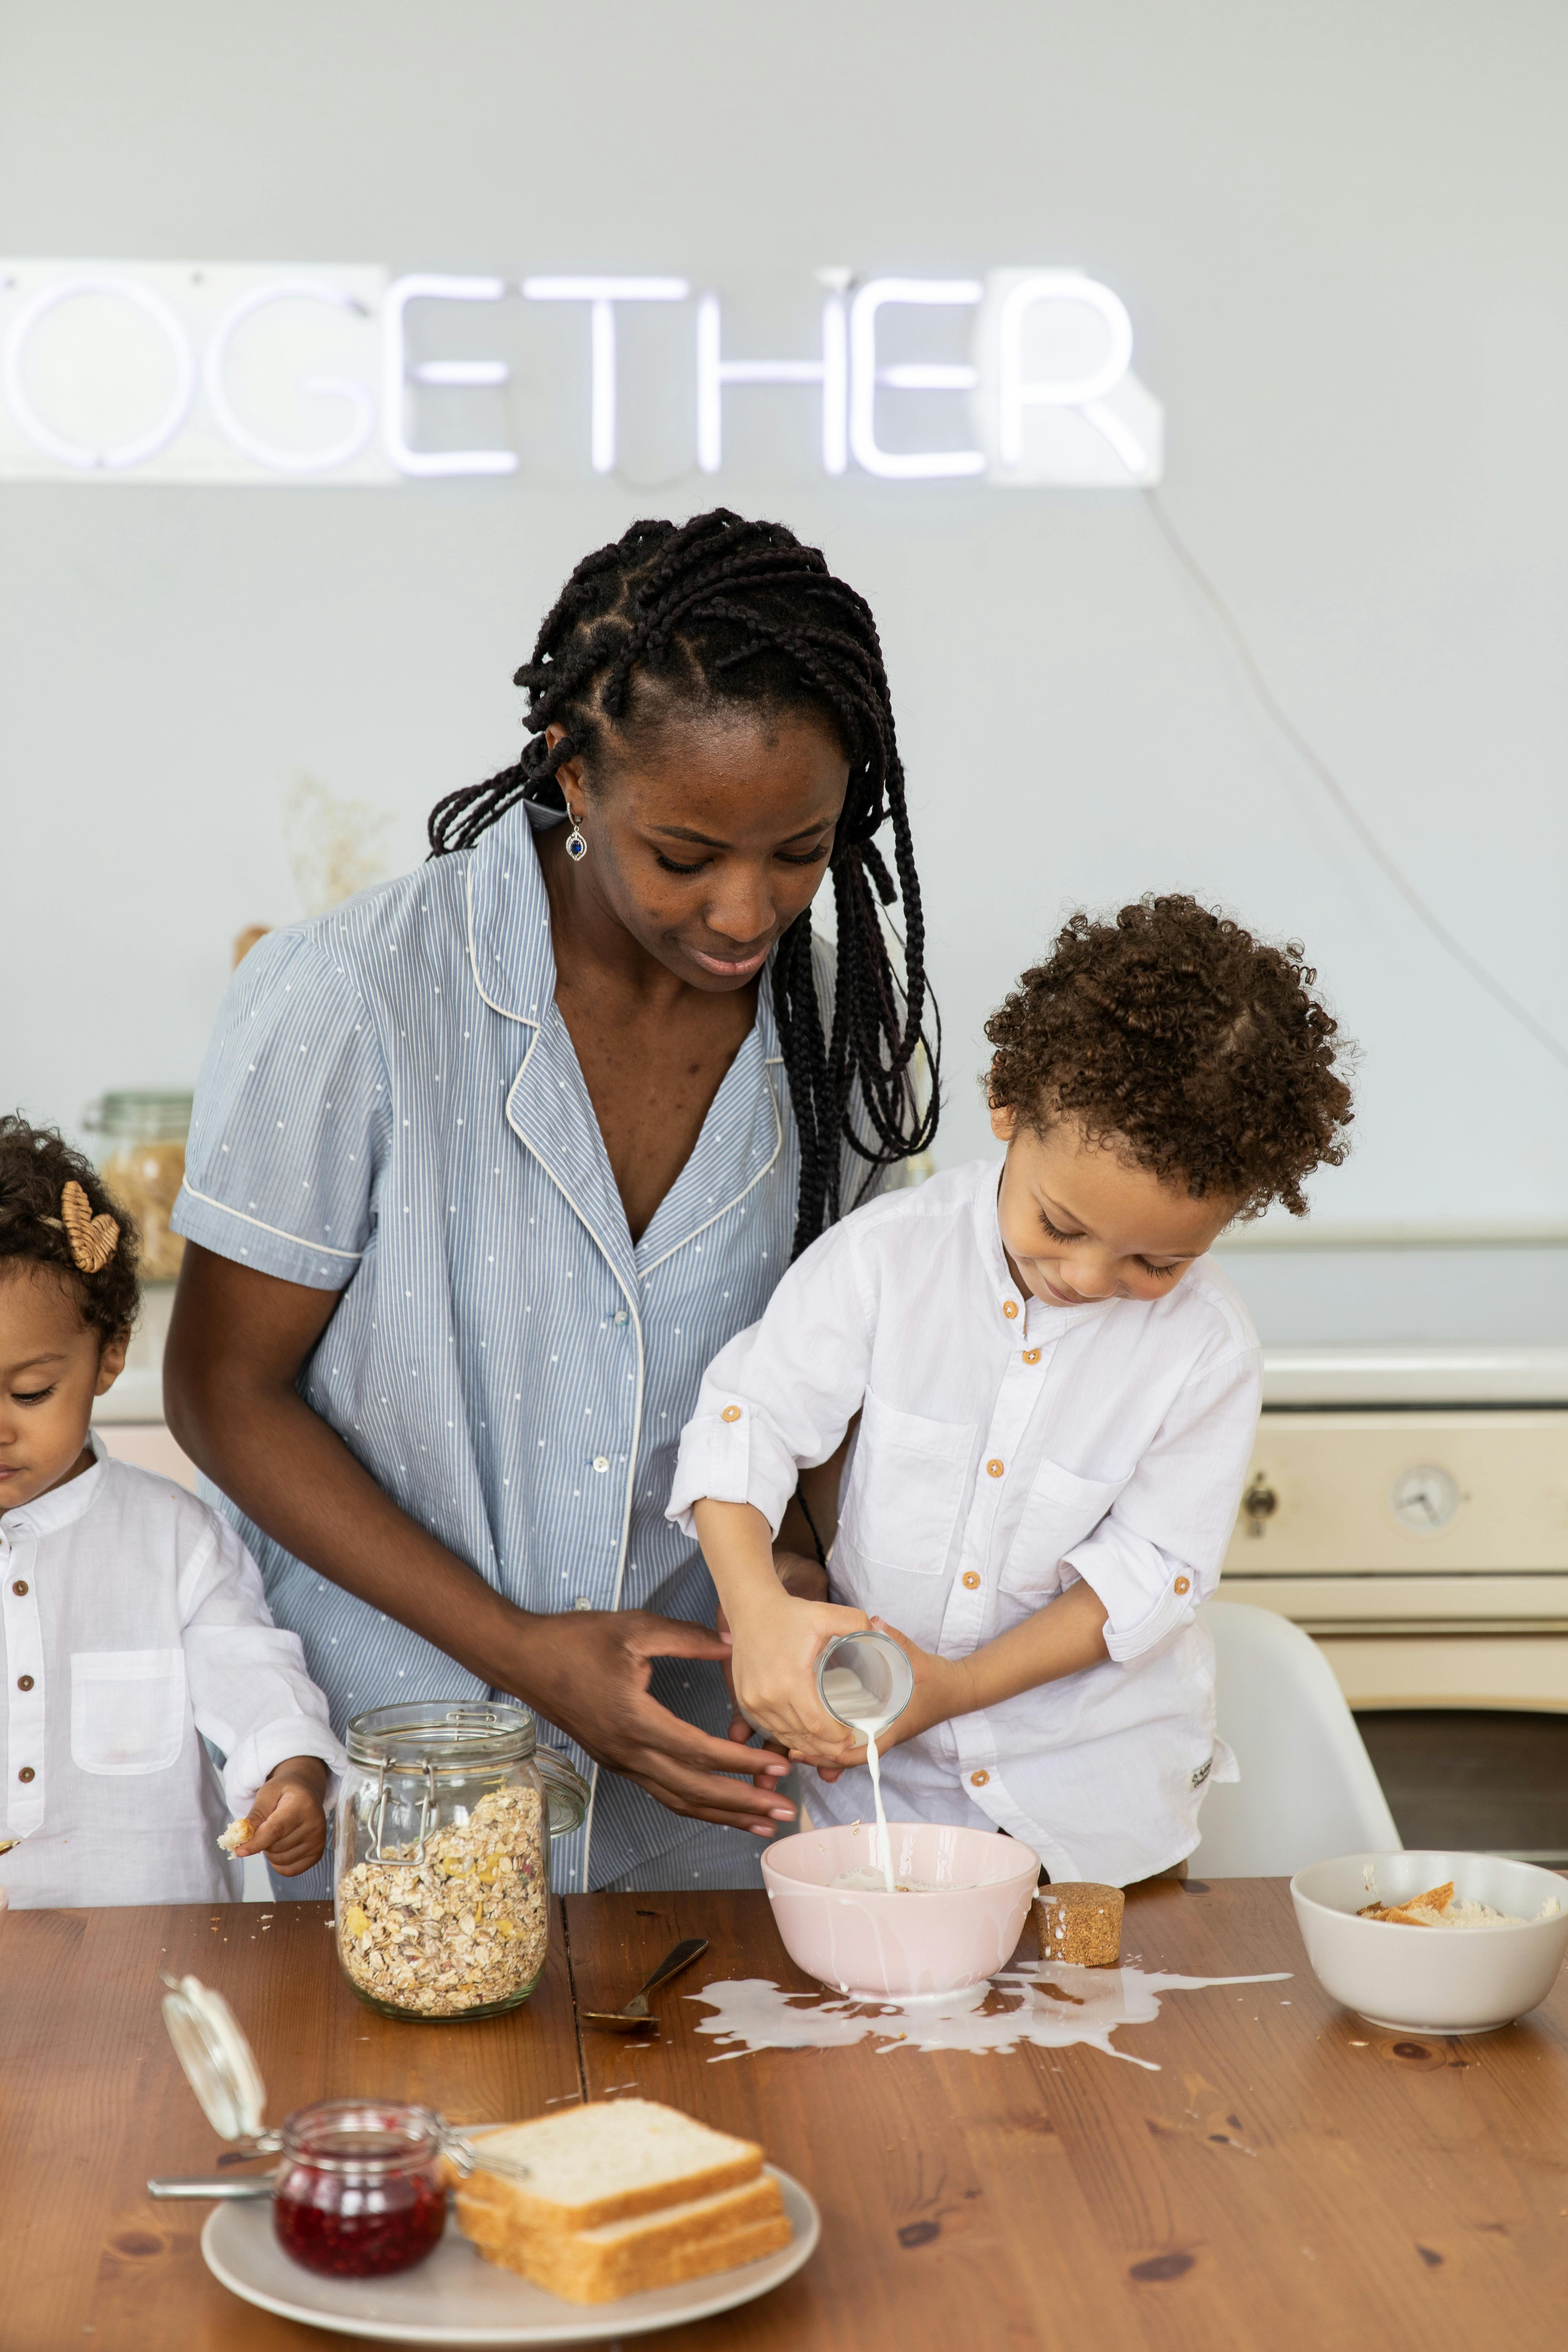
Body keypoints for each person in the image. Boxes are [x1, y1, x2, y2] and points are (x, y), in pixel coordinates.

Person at [164, 509, 938, 1899]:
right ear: (571, 776)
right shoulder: (356, 998)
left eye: (800, 849)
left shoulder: (841, 1034)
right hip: (385, 1764)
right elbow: (225, 1392)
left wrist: (804, 1584)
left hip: (707, 1788)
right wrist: (524, 1648)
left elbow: (842, 1389)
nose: (745, 910)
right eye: (685, 852)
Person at [672, 897, 1355, 1888]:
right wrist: (759, 1611)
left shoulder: (1207, 1352)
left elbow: (1147, 1574)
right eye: (1062, 1223)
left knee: (1088, 2037)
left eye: (1155, 1261)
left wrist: (952, 1689)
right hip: (882, 1799)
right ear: (1007, 1102)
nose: (1087, 1277)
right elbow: (748, 1424)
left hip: (1099, 1821)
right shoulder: (885, 1260)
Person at [0, 1120, 343, 1908]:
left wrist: (292, 1776)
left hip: (159, 1974)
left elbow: (258, 1684)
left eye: (30, 1392)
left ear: (109, 1355)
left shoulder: (175, 1540)